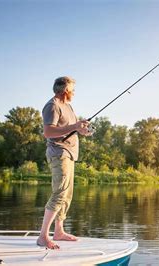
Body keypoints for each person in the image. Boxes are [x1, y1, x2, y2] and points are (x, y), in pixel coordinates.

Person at [36, 76, 91, 249]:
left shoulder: (67, 106)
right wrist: (74, 126)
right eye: (73, 90)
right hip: (59, 153)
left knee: (67, 195)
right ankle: (43, 236)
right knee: (60, 193)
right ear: (65, 90)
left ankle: (58, 231)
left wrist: (81, 129)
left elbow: (69, 128)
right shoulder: (52, 105)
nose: (74, 93)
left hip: (69, 154)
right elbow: (48, 131)